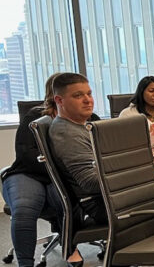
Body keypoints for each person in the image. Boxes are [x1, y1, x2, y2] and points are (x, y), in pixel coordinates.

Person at [1, 73, 83, 267]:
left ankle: (69, 246)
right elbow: (26, 155)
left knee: (67, 201)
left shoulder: (87, 117)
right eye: (76, 94)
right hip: (28, 173)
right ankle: (25, 263)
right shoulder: (35, 117)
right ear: (56, 95)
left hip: (61, 177)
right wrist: (59, 169)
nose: (84, 99)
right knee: (24, 208)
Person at [47, 74, 104, 227]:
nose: (88, 100)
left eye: (89, 94)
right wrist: (147, 174)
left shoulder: (82, 126)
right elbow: (91, 182)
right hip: (102, 204)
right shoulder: (67, 133)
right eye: (78, 95)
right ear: (59, 100)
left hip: (110, 197)